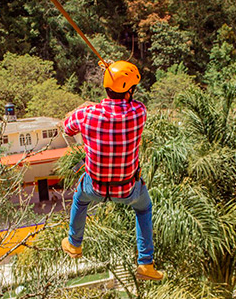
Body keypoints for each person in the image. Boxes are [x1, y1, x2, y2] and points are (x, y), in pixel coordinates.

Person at [61, 60, 164, 282]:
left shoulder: (87, 114)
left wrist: (83, 108)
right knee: (144, 209)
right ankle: (146, 263)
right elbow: (127, 104)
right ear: (129, 92)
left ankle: (74, 244)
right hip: (127, 188)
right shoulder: (139, 112)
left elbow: (67, 127)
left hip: (94, 186)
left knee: (80, 200)